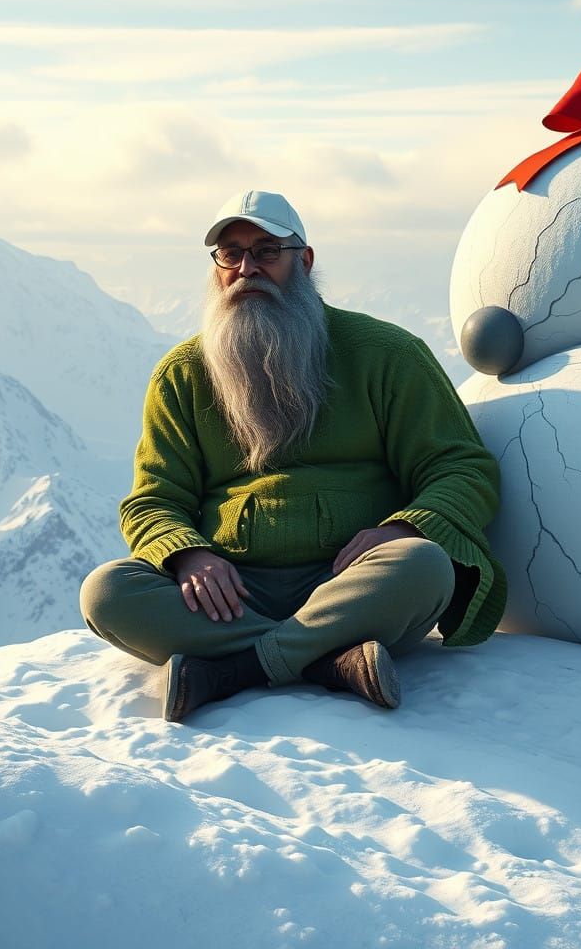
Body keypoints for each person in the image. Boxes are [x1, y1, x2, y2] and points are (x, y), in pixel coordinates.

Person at [80, 189, 507, 723]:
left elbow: (461, 467)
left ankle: (231, 668)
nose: (245, 269)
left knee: (424, 564)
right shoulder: (183, 374)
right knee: (106, 593)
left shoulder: (386, 355)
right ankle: (331, 660)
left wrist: (401, 530)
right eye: (230, 254)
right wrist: (189, 555)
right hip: (229, 595)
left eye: (265, 252)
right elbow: (153, 499)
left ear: (303, 261)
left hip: (350, 582)